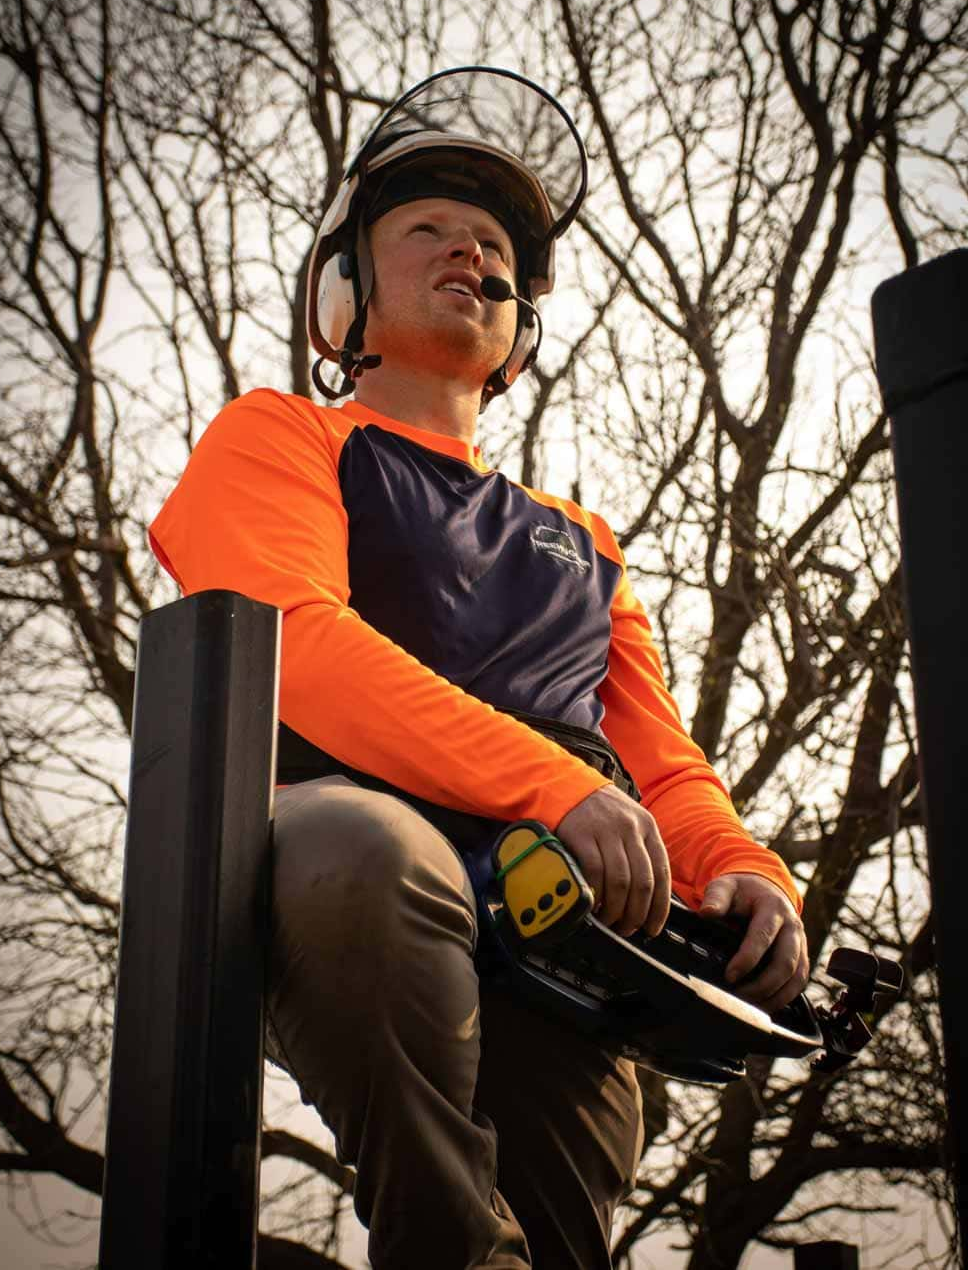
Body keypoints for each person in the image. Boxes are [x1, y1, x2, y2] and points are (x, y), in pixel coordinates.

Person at [149, 67, 809, 1270]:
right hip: (351, 874)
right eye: (426, 231)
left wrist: (746, 871)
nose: (469, 253)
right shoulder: (284, 436)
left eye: (492, 243)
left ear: (518, 324)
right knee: (368, 851)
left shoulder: (586, 546)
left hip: (565, 928)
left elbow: (659, 761)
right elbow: (296, 637)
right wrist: (550, 788)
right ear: (342, 293)